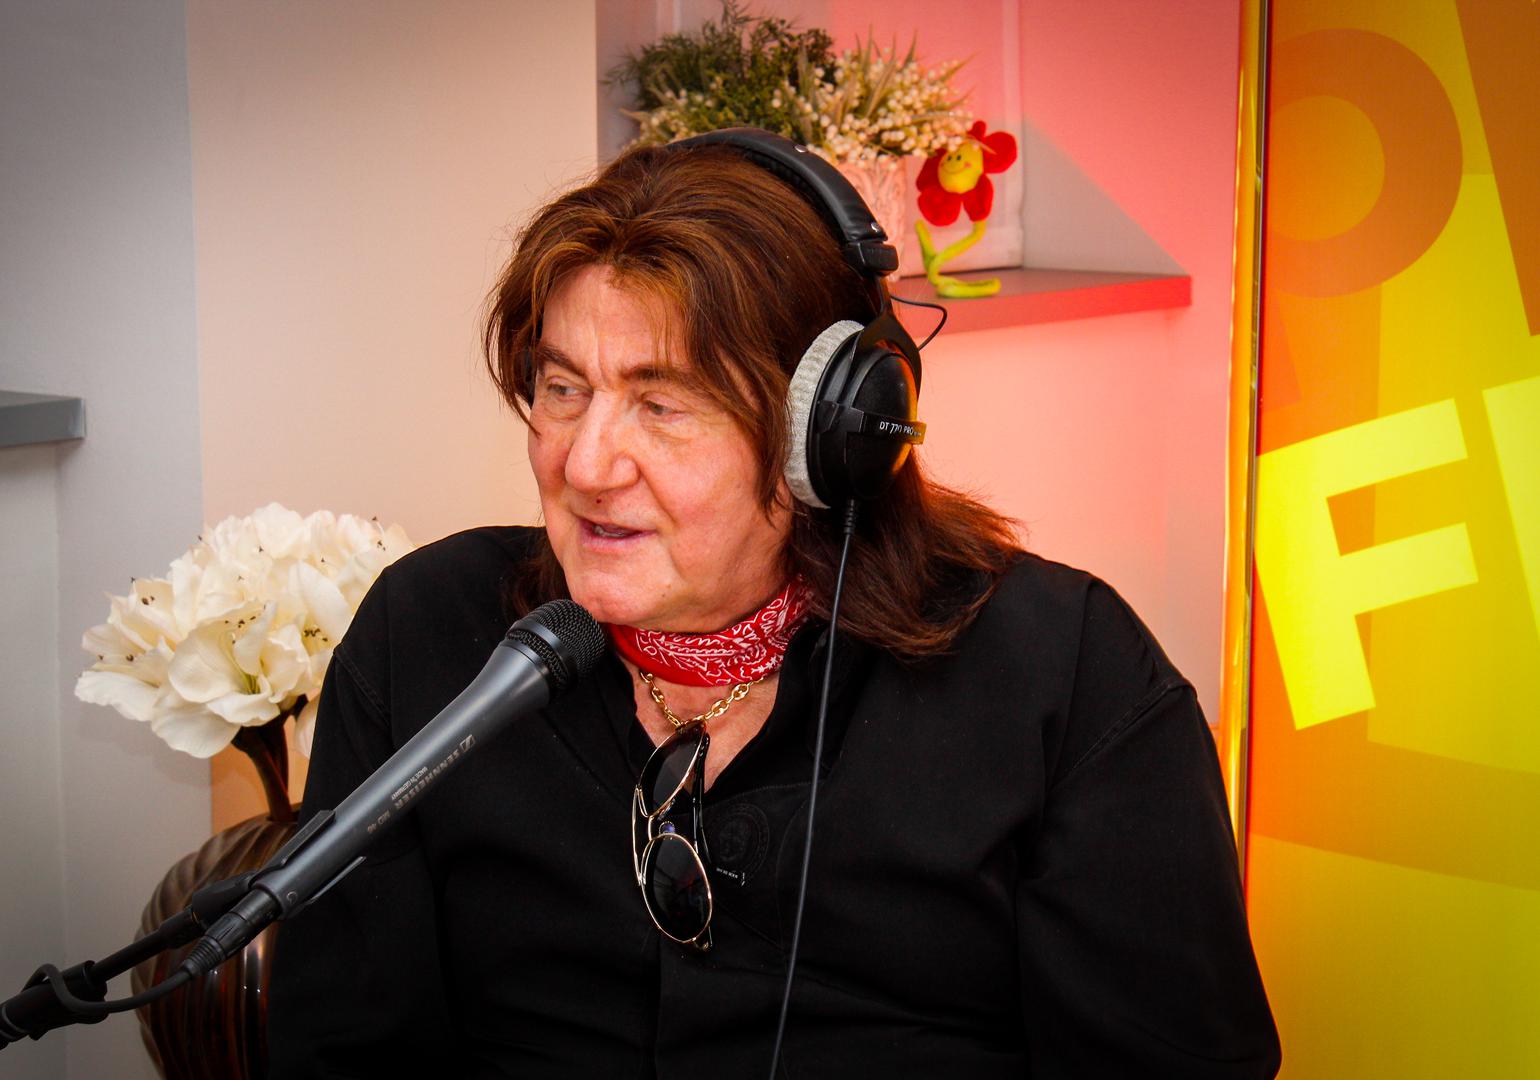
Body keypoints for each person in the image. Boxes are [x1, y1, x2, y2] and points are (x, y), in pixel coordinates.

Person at [269, 131, 1280, 1078]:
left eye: (662, 404)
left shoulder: (1063, 675)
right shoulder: (428, 634)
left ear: (828, 438)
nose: (583, 465)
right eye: (563, 388)